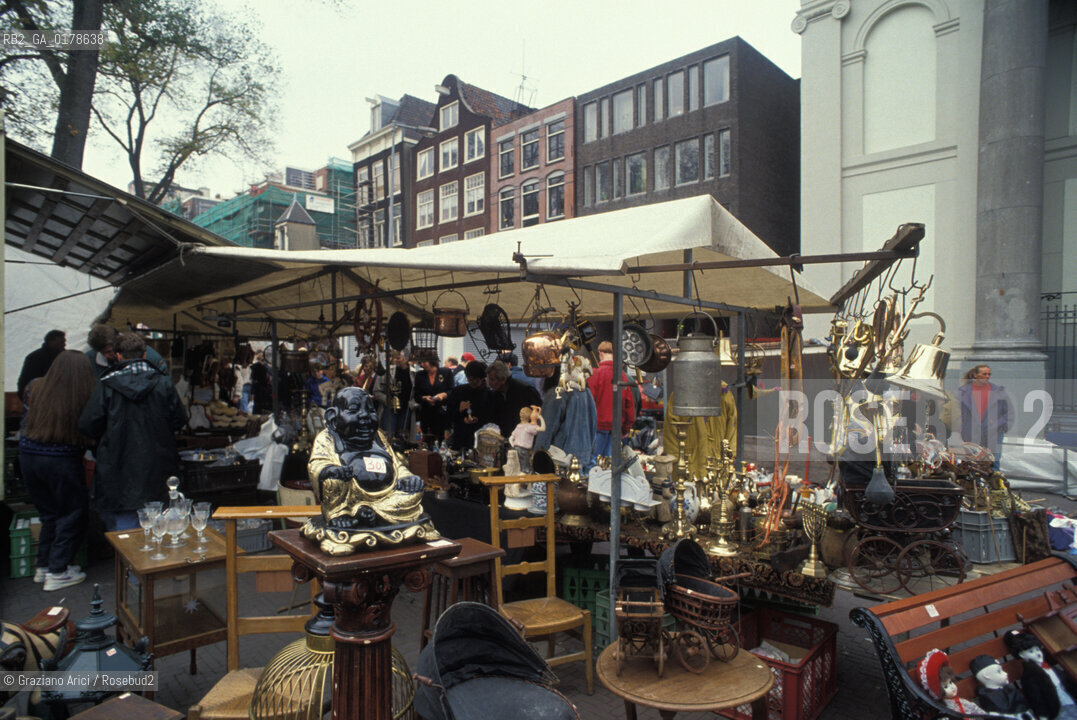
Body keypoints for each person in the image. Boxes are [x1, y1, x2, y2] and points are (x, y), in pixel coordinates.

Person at [78, 332, 187, 532]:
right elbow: (180, 419)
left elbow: (88, 424)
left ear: (119, 356)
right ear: (144, 355)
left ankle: (128, 562)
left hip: (117, 467)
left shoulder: (106, 385)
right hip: (158, 464)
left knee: (125, 533)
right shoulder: (163, 383)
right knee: (158, 527)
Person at [19, 351, 95, 591]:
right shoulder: (81, 395)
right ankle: (58, 570)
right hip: (61, 460)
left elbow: (25, 421)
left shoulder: (35, 387)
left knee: (48, 514)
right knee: (72, 513)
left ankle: (43, 566)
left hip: (28, 457)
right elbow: (89, 432)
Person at [1004, 629, 1077, 720]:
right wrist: (1043, 716)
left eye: (1037, 649)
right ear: (1022, 655)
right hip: (1057, 710)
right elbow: (1036, 699)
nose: (1037, 653)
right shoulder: (1029, 676)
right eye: (1031, 652)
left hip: (1071, 700)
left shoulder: (1048, 667)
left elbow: (1066, 682)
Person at [958, 364, 1014, 471]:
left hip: (993, 433)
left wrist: (1001, 427)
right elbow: (958, 412)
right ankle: (972, 485)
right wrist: (961, 427)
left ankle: (995, 485)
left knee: (993, 462)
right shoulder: (964, 392)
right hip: (971, 432)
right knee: (970, 462)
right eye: (984, 374)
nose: (987, 376)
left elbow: (1008, 413)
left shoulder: (999, 392)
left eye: (989, 374)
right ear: (975, 375)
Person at [587, 341, 635, 460]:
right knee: (611, 465)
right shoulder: (621, 376)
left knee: (593, 463)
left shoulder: (594, 374)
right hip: (616, 428)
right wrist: (626, 428)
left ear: (600, 353)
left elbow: (588, 402)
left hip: (597, 427)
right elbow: (629, 405)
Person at [476, 359, 542, 437]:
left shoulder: (525, 391)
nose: (489, 383)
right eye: (488, 379)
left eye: (492, 379)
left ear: (503, 379)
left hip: (525, 438)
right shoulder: (494, 394)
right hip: (505, 438)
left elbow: (538, 416)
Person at [85, 324, 167, 380]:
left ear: (118, 341)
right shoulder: (89, 359)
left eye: (109, 351)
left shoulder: (148, 356)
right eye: (102, 353)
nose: (106, 356)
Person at [413, 351, 453, 444]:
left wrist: (443, 395)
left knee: (441, 441)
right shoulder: (419, 375)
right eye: (421, 363)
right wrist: (424, 398)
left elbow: (452, 391)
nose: (422, 365)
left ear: (432, 361)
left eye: (424, 362)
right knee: (426, 441)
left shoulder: (446, 372)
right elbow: (416, 395)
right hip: (426, 413)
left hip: (442, 413)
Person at [447, 360, 487, 452]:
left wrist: (478, 420)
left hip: (481, 440)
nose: (472, 382)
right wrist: (459, 410)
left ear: (482, 378)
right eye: (469, 378)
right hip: (461, 438)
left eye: (476, 379)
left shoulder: (488, 394)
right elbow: (449, 415)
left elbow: (491, 418)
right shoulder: (458, 392)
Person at [17, 330, 66, 402]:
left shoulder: (65, 357)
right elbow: (25, 381)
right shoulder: (34, 358)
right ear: (51, 341)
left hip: (59, 399)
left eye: (64, 342)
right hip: (40, 399)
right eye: (61, 342)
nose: (64, 345)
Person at [509, 405, 546, 473]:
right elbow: (543, 428)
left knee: (521, 468)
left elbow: (511, 438)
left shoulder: (518, 426)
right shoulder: (529, 427)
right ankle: (517, 484)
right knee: (526, 470)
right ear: (530, 416)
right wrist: (540, 417)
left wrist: (514, 446)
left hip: (516, 449)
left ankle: (521, 482)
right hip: (524, 450)